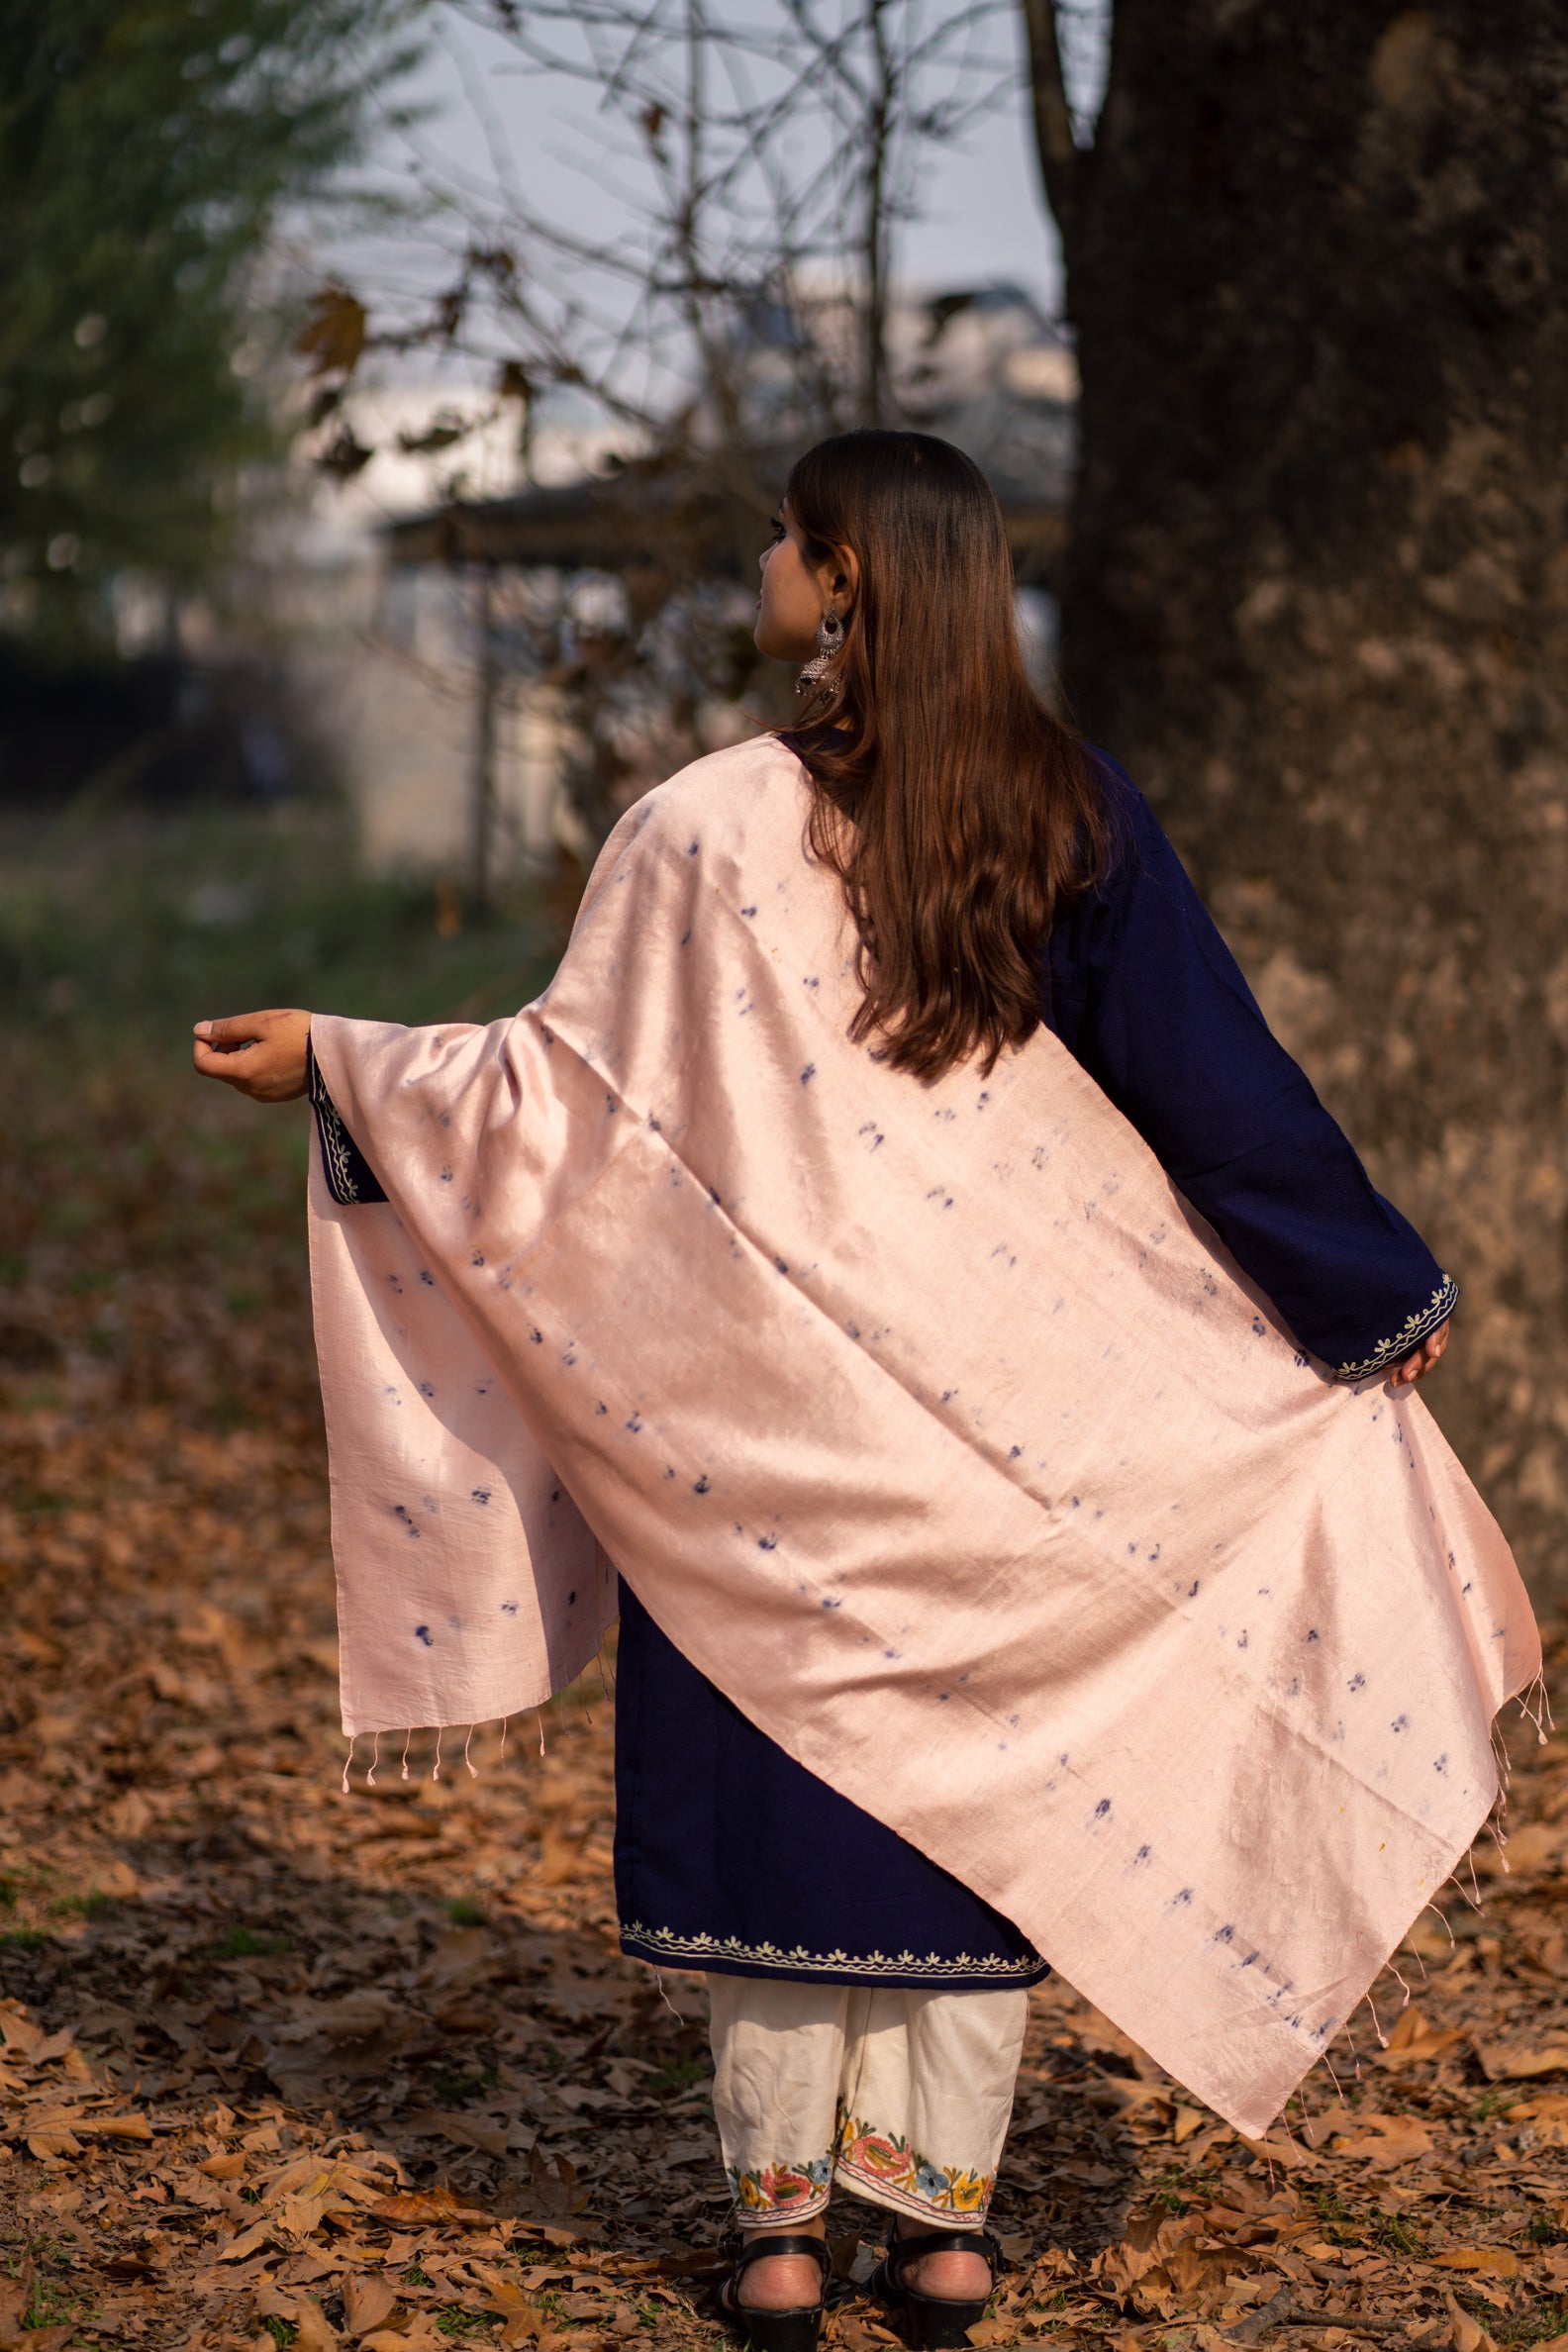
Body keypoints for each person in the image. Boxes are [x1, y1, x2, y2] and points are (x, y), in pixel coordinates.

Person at [196, 432, 1464, 2352]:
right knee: (990, 1804)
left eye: (784, 547)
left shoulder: (706, 827)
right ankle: (942, 2242)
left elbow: (563, 1103)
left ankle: (780, 2245)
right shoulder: (1071, 813)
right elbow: (1224, 1095)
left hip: (758, 1445)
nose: (764, 575)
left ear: (850, 578)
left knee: (782, 1798)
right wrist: (1370, 1294)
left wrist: (352, 1067)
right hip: (1004, 1445)